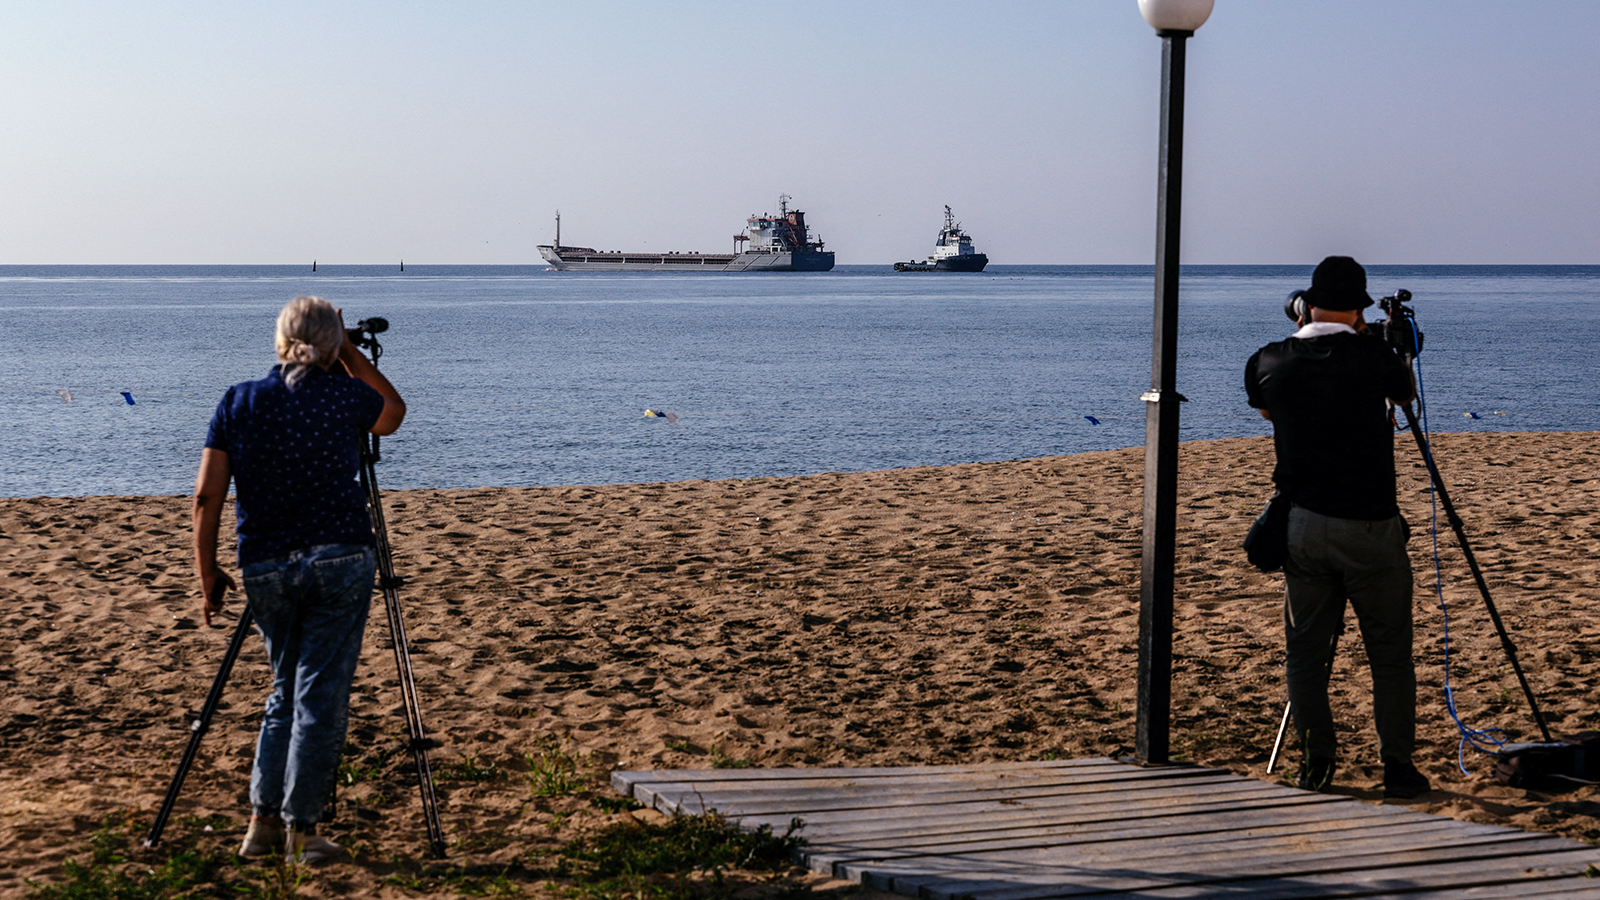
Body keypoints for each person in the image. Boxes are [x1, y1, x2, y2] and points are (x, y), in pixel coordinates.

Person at [193, 295, 406, 862]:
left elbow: (207, 495)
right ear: (331, 344)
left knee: (284, 691)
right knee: (319, 698)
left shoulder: (239, 400)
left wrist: (206, 568)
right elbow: (393, 414)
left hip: (265, 562)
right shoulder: (345, 394)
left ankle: (262, 827)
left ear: (280, 339)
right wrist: (351, 353)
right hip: (340, 558)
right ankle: (302, 833)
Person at [1245, 256, 1430, 800]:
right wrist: (1390, 348)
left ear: (1305, 305)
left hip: (1303, 523)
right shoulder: (1375, 358)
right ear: (1358, 310)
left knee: (1306, 655)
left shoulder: (1269, 360)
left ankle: (1317, 765)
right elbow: (1406, 398)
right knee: (1390, 655)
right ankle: (1398, 768)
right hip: (1371, 524)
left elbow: (1269, 413)